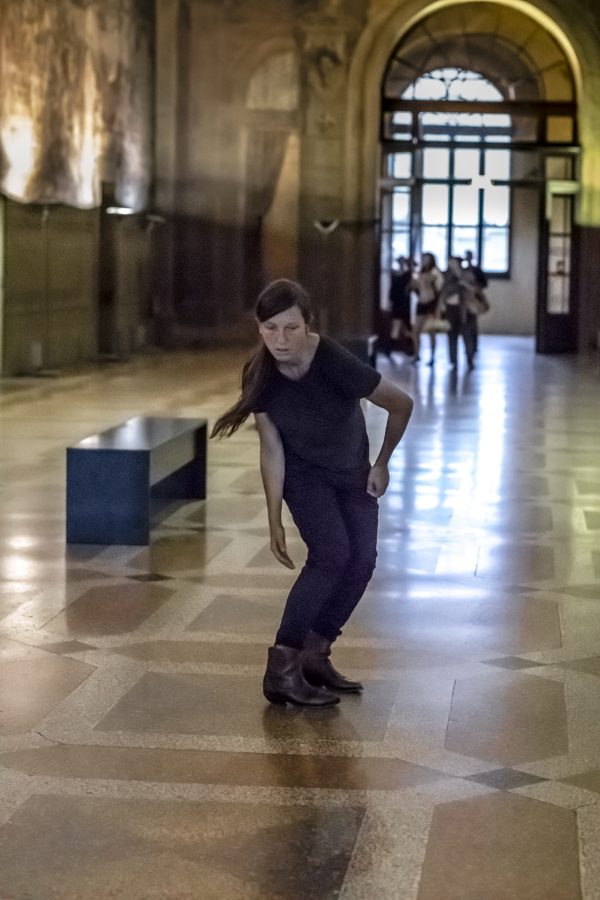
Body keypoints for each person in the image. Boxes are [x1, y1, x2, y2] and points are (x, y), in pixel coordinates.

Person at [211, 279, 413, 707]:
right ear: (259, 328)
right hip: (304, 476)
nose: (280, 340)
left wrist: (382, 462)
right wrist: (274, 519)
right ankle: (282, 668)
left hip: (353, 471)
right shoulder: (259, 374)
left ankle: (315, 655)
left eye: (290, 328)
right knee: (331, 555)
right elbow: (271, 448)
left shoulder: (335, 361)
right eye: (269, 328)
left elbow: (401, 404)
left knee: (362, 561)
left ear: (308, 325)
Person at [441, 255, 476, 371]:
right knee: (452, 335)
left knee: (467, 335)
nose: (451, 265)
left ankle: (470, 359)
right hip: (451, 308)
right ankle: (453, 360)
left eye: (453, 263)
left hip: (465, 309)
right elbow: (444, 291)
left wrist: (462, 281)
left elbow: (473, 289)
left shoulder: (467, 275)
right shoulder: (447, 276)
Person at [413, 252, 444, 365]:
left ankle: (432, 357)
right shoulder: (420, 272)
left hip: (431, 304)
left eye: (427, 259)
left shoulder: (435, 273)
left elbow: (439, 290)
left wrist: (437, 307)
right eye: (424, 258)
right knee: (416, 330)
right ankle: (416, 354)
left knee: (431, 331)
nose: (425, 261)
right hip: (421, 303)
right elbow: (417, 288)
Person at [463, 250, 488, 354]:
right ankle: (469, 345)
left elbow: (483, 284)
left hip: (474, 299)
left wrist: (475, 289)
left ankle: (474, 345)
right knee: (467, 323)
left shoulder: (476, 270)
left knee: (472, 323)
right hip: (465, 299)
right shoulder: (464, 270)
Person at [389, 256, 414, 345]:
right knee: (397, 322)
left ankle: (406, 342)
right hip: (397, 301)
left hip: (403, 301)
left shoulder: (408, 274)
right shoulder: (395, 274)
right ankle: (395, 342)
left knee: (402, 322)